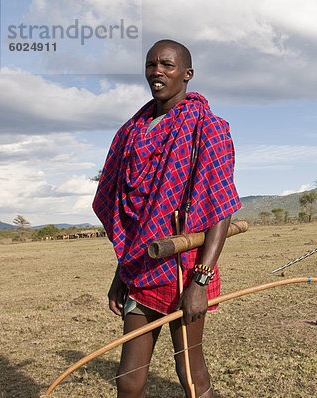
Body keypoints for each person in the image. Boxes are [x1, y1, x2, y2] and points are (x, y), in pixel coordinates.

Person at [92, 39, 241, 398]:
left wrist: (200, 282)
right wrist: (120, 272)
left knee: (190, 371)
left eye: (167, 65)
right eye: (151, 64)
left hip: (186, 270)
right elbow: (134, 218)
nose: (157, 71)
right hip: (141, 268)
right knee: (129, 379)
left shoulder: (209, 128)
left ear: (187, 74)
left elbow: (220, 211)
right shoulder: (131, 134)